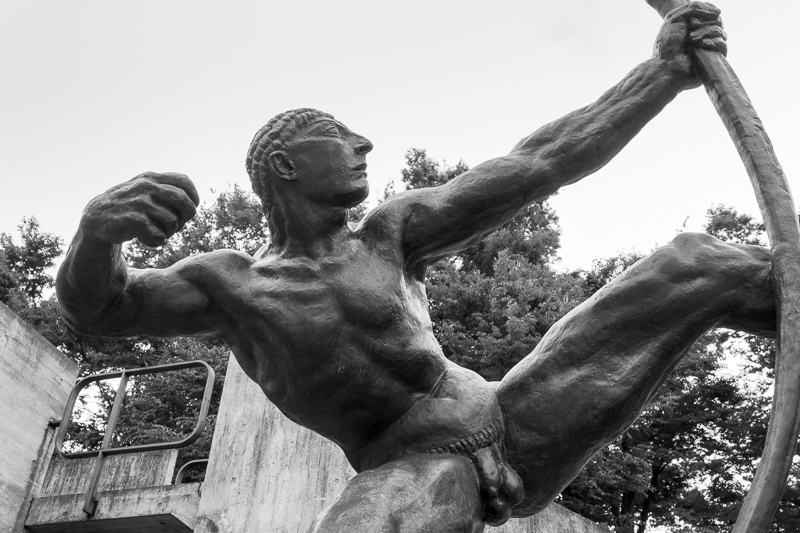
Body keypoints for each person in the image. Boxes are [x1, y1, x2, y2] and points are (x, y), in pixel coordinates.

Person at [57, 3, 770, 531]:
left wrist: (661, 73)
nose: (363, 141)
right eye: (336, 135)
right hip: (406, 474)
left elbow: (537, 163)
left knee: (699, 262)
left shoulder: (391, 233)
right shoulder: (231, 285)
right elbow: (103, 307)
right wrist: (96, 233)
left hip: (516, 417)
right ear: (285, 165)